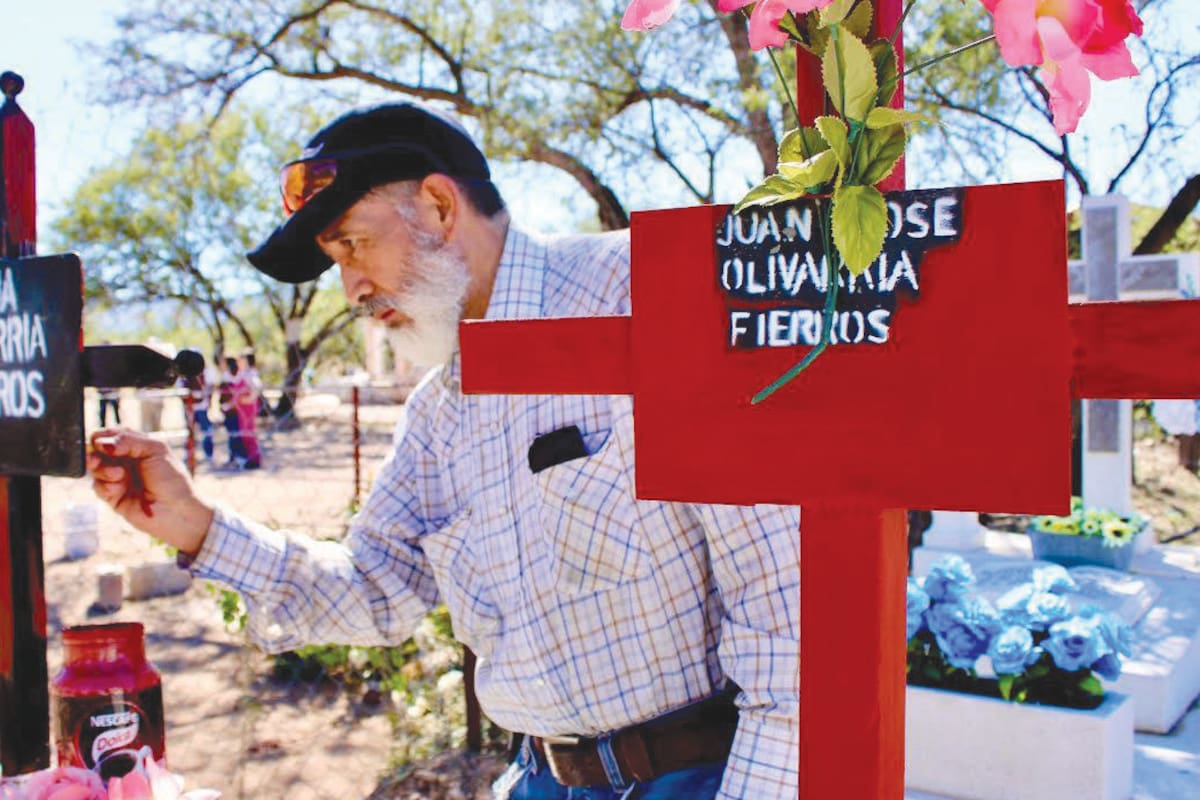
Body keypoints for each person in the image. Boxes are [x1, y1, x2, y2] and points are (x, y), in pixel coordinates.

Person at [87, 103, 799, 800]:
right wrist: (196, 526)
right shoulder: (440, 411)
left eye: (352, 245)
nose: (353, 288)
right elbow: (377, 587)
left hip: (698, 776)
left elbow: (787, 623)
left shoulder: (643, 291)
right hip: (536, 777)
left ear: (436, 206)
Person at [218, 356, 247, 469]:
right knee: (232, 435)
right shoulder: (229, 376)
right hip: (229, 410)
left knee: (236, 435)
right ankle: (233, 457)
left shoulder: (234, 378)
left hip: (235, 410)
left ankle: (240, 458)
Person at [236, 350, 262, 469]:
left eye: (241, 360)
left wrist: (250, 399)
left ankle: (255, 460)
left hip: (248, 408)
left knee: (249, 432)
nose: (238, 362)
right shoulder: (241, 373)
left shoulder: (250, 373)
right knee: (245, 434)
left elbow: (257, 386)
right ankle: (249, 458)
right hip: (241, 409)